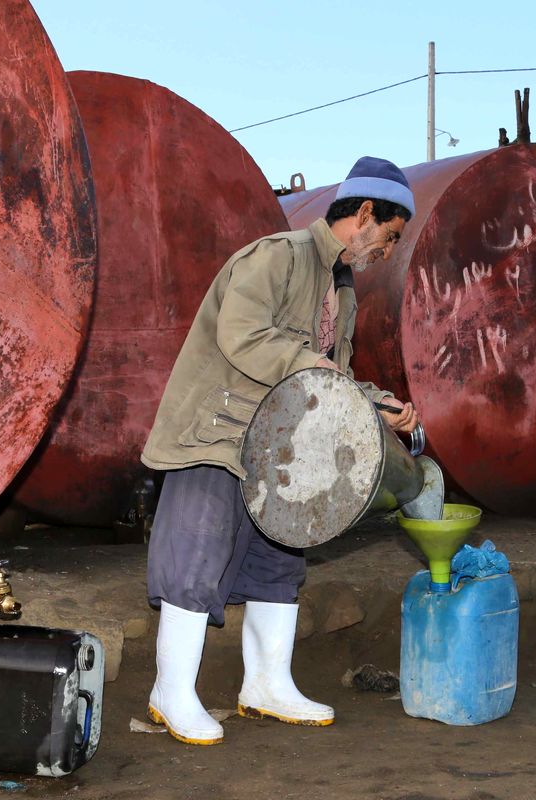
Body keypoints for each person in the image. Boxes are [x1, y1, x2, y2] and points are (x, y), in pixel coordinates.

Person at [139, 156, 420, 745]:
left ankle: (266, 686)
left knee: (280, 559)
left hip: (275, 448)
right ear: (364, 214)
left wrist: (379, 406)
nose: (388, 253)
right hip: (215, 432)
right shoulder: (278, 255)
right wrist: (312, 366)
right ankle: (171, 691)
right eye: (390, 237)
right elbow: (242, 335)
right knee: (196, 558)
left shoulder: (340, 292)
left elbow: (332, 375)